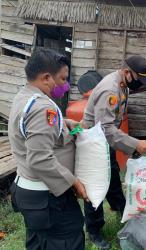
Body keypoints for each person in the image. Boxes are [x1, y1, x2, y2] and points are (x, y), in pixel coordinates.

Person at [9, 48, 87, 249]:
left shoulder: (25, 96)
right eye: (62, 79)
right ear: (45, 78)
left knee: (40, 243)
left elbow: (37, 131)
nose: (65, 85)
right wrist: (73, 182)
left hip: (33, 194)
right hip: (48, 197)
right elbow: (40, 159)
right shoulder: (43, 108)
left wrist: (66, 123)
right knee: (68, 239)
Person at [82, 56, 146, 249]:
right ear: (127, 72)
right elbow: (105, 128)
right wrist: (134, 144)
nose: (139, 83)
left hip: (105, 142)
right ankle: (94, 231)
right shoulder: (110, 90)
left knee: (113, 180)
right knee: (95, 188)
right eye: (139, 78)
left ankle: (125, 216)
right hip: (94, 143)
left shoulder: (122, 84)